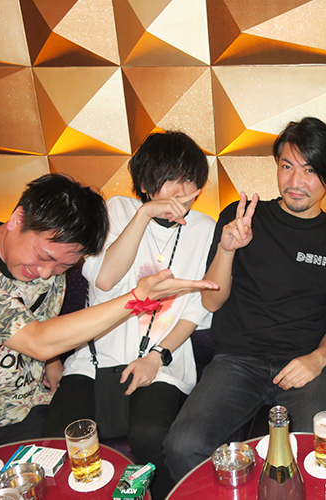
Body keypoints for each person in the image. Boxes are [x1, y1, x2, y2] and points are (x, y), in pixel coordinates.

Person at [164, 117, 326, 480]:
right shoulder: (241, 219)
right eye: (287, 166)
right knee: (182, 445)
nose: (295, 181)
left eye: (310, 170)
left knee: (325, 455)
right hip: (237, 361)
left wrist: (317, 359)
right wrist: (227, 249)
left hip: (304, 364)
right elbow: (211, 303)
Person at [0, 173, 214, 447]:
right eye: (44, 257)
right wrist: (138, 298)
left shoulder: (53, 267)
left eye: (63, 266)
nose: (46, 273)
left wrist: (52, 363)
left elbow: (42, 322)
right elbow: (37, 340)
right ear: (18, 219)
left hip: (29, 408)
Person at [43, 132, 215, 499]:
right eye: (169, 178)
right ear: (146, 181)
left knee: (150, 435)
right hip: (93, 359)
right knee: (58, 439)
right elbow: (105, 280)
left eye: (189, 179)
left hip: (162, 360)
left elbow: (195, 309)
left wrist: (157, 356)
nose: (180, 190)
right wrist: (144, 215)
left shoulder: (205, 229)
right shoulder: (116, 210)